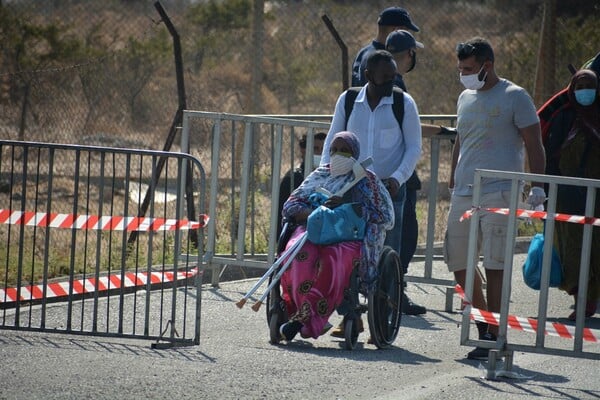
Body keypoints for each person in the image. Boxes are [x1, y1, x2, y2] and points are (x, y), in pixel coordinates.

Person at [445, 37, 546, 360]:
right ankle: (485, 324)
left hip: (501, 190)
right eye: (461, 68)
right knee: (458, 261)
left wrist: (538, 185)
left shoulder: (515, 97)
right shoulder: (465, 96)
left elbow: (534, 142)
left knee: (495, 265)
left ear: (487, 66)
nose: (464, 74)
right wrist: (452, 175)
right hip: (464, 191)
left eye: (469, 68)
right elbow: (461, 138)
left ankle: (494, 334)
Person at [321, 50, 422, 336]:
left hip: (389, 191)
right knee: (346, 252)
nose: (391, 83)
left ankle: (384, 317)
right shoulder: (350, 100)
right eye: (385, 78)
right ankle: (349, 313)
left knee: (386, 253)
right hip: (352, 188)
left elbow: (414, 147)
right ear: (368, 75)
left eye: (394, 78)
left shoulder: (403, 102)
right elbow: (333, 139)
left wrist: (397, 179)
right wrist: (326, 178)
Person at [278, 131, 394, 341]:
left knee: (333, 258)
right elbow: (290, 206)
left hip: (350, 236)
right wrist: (314, 211)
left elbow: (383, 215)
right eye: (335, 150)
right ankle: (303, 314)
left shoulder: (367, 180)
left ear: (355, 154)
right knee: (298, 254)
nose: (339, 154)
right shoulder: (320, 175)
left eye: (345, 151)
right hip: (315, 230)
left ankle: (304, 319)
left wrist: (347, 209)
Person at [544, 69, 600, 321]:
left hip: (597, 196)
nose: (585, 90)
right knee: (572, 249)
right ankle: (581, 298)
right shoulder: (562, 116)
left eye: (590, 85)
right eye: (580, 86)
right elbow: (549, 151)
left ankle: (590, 300)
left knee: (596, 247)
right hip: (567, 193)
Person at [351, 6, 419, 88]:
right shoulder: (385, 60)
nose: (407, 34)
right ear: (395, 30)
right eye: (405, 31)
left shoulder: (363, 52)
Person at [277, 132, 327, 238]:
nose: (320, 153)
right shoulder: (293, 178)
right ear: (304, 151)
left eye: (323, 149)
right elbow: (282, 213)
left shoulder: (331, 177)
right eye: (315, 149)